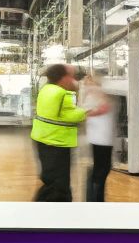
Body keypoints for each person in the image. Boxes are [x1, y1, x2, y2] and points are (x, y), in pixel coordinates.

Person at [30, 64, 106, 202]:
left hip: (44, 139)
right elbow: (69, 115)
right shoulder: (61, 93)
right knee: (58, 186)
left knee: (52, 180)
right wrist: (90, 110)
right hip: (56, 142)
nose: (75, 80)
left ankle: (45, 207)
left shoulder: (46, 89)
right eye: (72, 76)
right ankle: (51, 210)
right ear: (63, 78)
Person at [78, 72, 116, 202]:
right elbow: (102, 108)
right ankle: (94, 200)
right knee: (101, 170)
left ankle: (94, 199)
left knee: (100, 169)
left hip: (100, 138)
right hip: (101, 139)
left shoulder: (91, 93)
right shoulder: (95, 94)